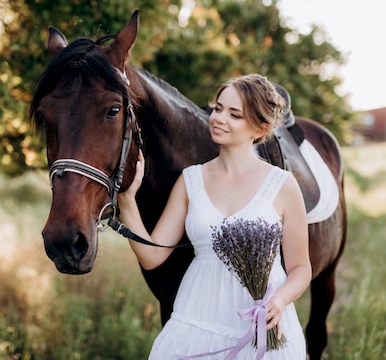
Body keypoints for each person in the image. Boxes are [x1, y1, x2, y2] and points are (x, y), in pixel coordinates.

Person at [118, 74, 312, 359]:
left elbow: (301, 268)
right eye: (218, 108)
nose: (219, 118)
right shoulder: (190, 181)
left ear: (260, 128)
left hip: (260, 323)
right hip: (197, 318)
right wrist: (126, 200)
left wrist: (280, 300)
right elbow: (152, 256)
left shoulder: (283, 185)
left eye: (234, 114)